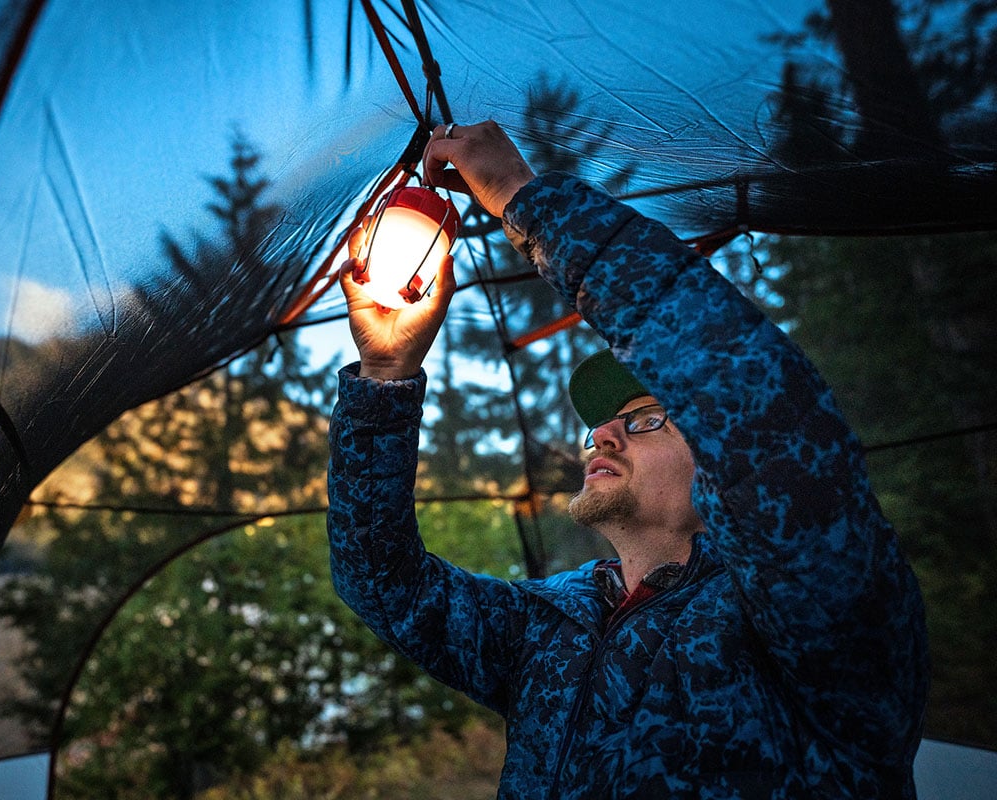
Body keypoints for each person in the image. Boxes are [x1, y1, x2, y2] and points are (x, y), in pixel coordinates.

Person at [326, 120, 928, 799]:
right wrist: (384, 376)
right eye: (602, 425)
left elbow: (765, 422)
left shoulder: (808, 613)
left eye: (641, 419)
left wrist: (528, 201)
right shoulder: (543, 627)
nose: (603, 436)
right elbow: (379, 579)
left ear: (722, 466)